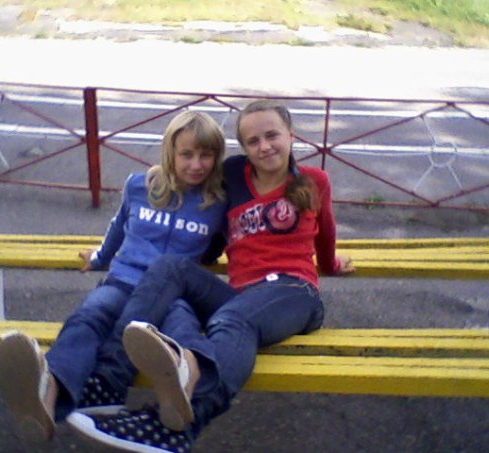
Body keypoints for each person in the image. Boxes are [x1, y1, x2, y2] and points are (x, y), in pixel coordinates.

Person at [67, 99, 355, 452]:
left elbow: (326, 234)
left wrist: (332, 264)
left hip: (293, 292)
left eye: (272, 136)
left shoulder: (314, 181)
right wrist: (106, 253)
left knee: (232, 321)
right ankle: (108, 381)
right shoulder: (233, 175)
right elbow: (205, 214)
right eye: (253, 141)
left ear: (291, 136)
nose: (265, 146)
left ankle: (175, 428)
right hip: (242, 297)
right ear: (244, 148)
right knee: (170, 266)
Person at [0, 110, 228, 443]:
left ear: (217, 157)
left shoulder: (218, 203)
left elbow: (222, 244)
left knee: (181, 329)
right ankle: (48, 392)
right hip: (124, 281)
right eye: (187, 154)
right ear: (170, 152)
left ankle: (179, 395)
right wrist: (99, 258)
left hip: (173, 292)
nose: (196, 164)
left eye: (206, 155)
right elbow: (117, 229)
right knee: (90, 316)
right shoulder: (139, 186)